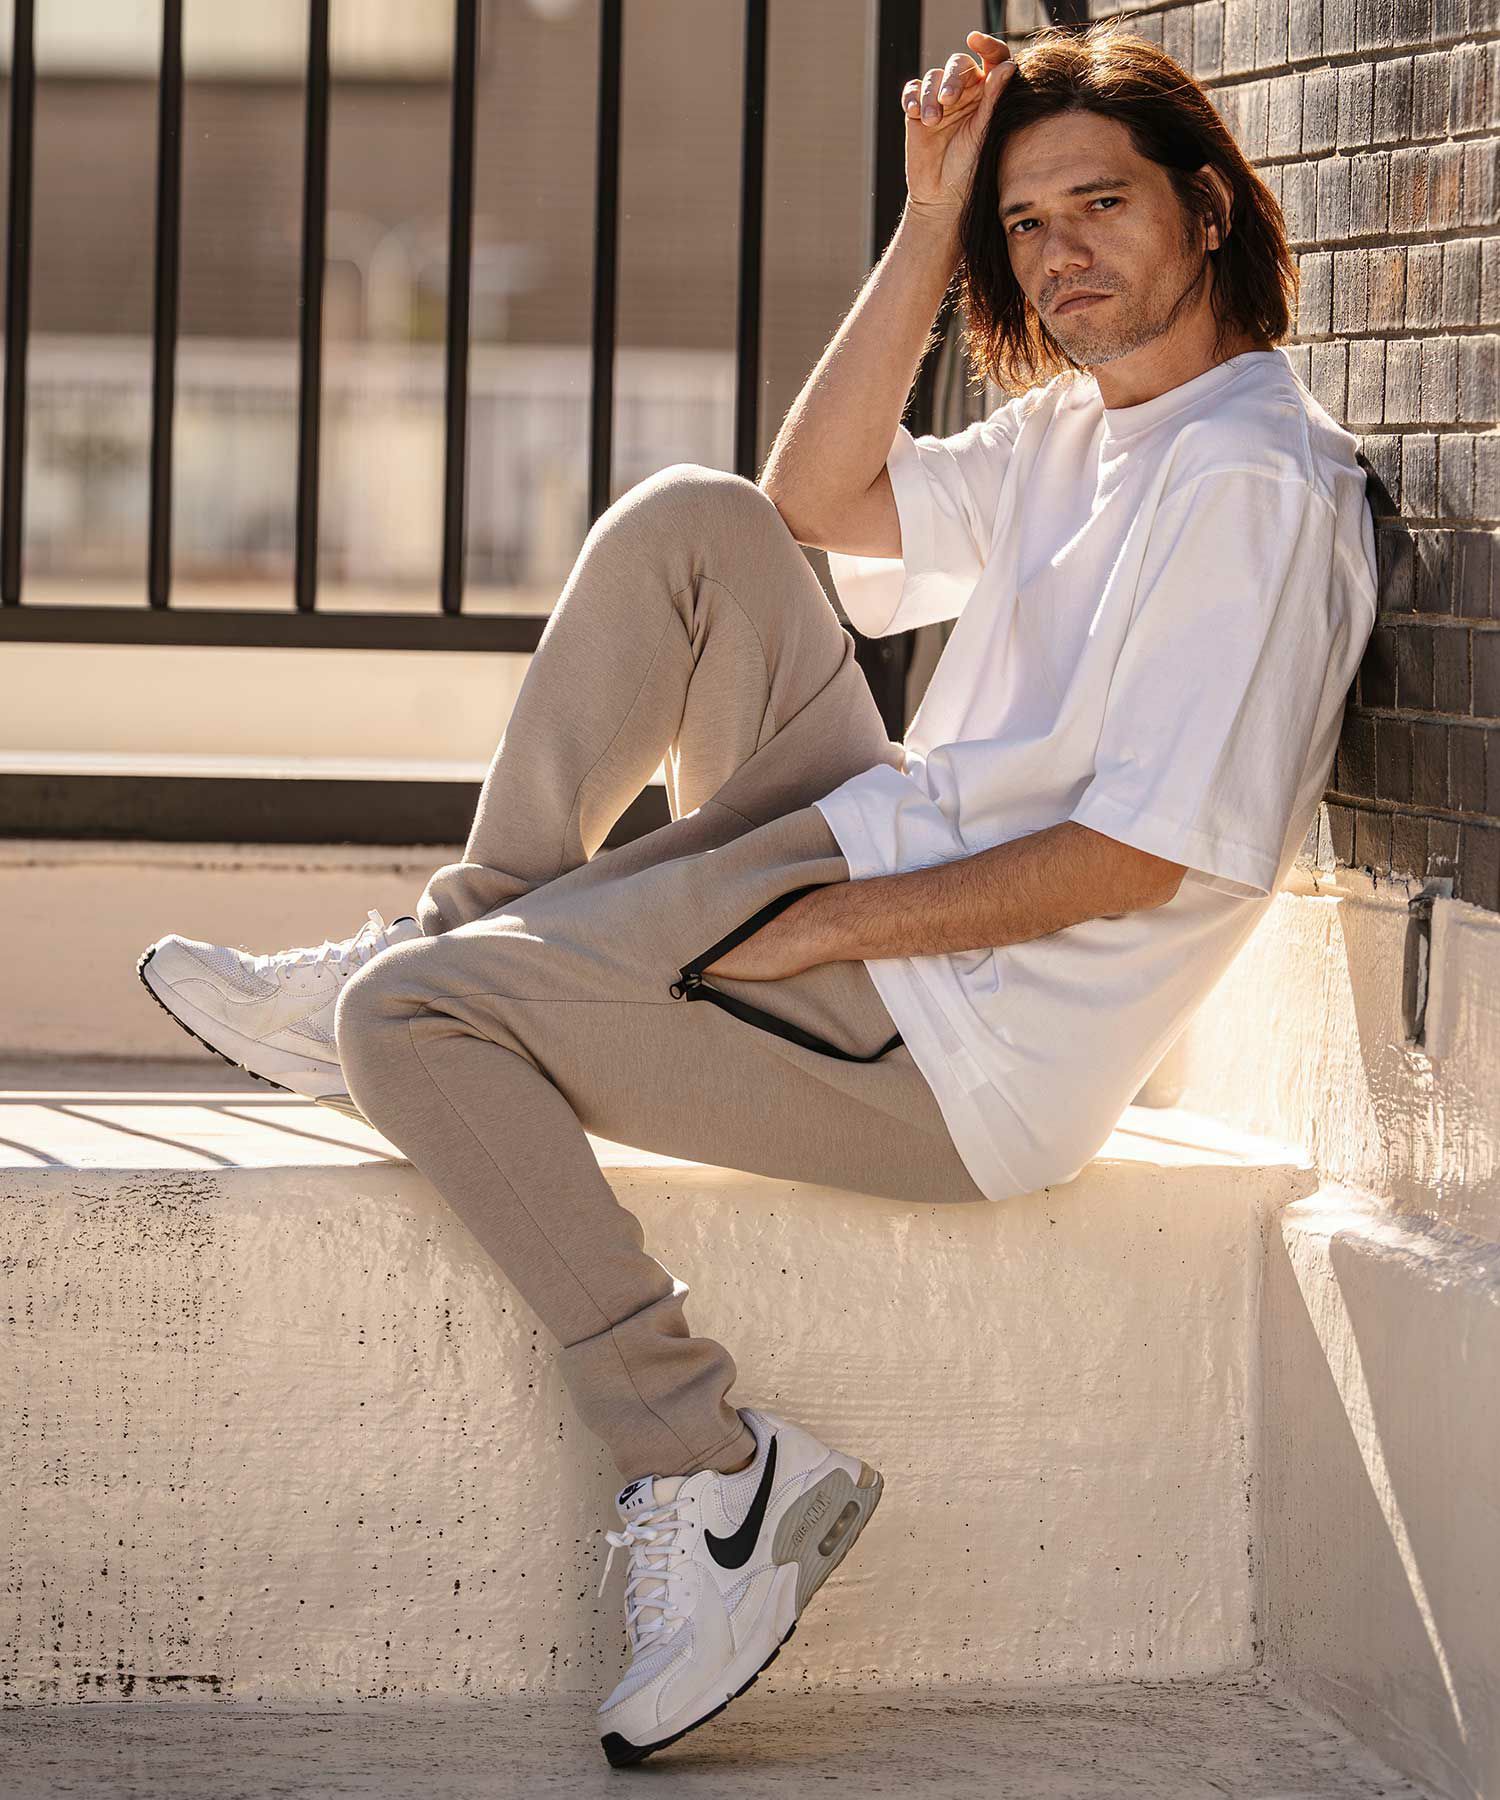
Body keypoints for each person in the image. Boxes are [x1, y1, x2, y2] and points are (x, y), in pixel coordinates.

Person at [136, 21, 1378, 1765]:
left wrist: (822, 928)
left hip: (954, 1043)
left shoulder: (1251, 485)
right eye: (1027, 224)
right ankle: (460, 933)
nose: (1060, 254)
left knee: (412, 1029)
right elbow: (813, 498)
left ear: (1211, 209)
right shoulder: (1084, 429)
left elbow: (1138, 854)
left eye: (1101, 204)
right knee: (696, 522)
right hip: (871, 857)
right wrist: (929, 216)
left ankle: (710, 1471)